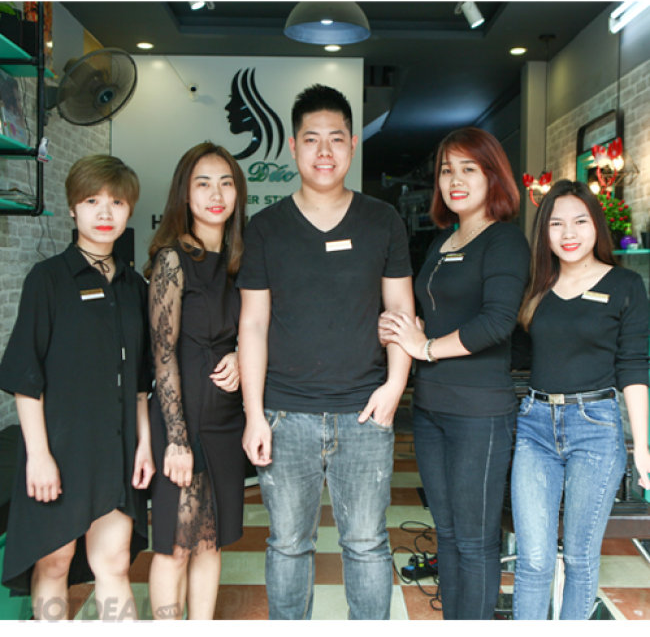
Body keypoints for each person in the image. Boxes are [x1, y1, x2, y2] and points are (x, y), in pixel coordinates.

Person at [237, 84, 414, 620]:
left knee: (366, 544)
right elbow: (253, 323)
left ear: (353, 145)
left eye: (336, 138)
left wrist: (394, 386)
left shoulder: (382, 220)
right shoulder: (266, 227)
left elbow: (401, 312)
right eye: (311, 139)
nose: (324, 151)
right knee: (289, 544)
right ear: (293, 146)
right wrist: (254, 414)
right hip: (285, 413)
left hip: (364, 412)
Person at [379, 127, 530, 620]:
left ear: (493, 177)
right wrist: (405, 329)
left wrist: (424, 347)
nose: (455, 180)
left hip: (479, 413)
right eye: (447, 170)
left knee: (474, 539)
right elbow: (434, 314)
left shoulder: (505, 241)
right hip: (431, 409)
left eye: (469, 169)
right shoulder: (444, 242)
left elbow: (495, 323)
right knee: (446, 534)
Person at [0, 155, 154, 620]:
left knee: (114, 564)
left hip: (117, 450)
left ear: (129, 210)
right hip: (58, 450)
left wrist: (144, 446)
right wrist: (39, 456)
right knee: (54, 561)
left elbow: (140, 382)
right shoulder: (47, 279)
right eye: (91, 201)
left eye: (117, 202)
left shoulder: (134, 286)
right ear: (73, 208)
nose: (105, 213)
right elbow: (26, 379)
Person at [511, 179, 650, 620]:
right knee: (534, 560)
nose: (568, 233)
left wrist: (643, 447)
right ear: (544, 232)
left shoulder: (625, 284)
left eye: (580, 221)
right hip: (534, 425)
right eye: (556, 224)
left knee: (579, 557)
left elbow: (634, 368)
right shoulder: (536, 287)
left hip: (595, 428)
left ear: (596, 226)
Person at [145, 142, 247, 620]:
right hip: (180, 418)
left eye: (226, 183)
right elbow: (162, 355)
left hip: (225, 419)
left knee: (211, 538)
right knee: (175, 544)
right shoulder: (172, 259)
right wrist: (177, 440)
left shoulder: (242, 261)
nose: (216, 194)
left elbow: (259, 328)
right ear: (185, 195)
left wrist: (242, 354)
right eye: (203, 183)